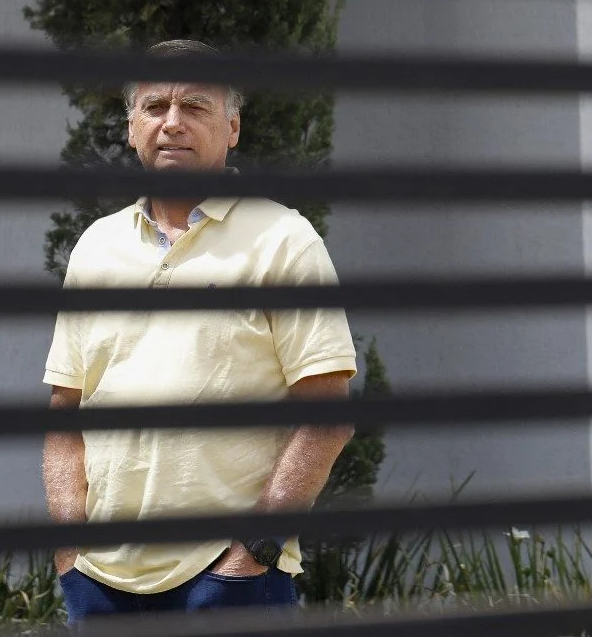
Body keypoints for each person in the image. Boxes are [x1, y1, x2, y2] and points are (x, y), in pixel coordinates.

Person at [42, 39, 357, 623]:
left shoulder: (284, 241)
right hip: (101, 587)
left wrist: (254, 551)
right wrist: (70, 553)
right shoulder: (95, 248)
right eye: (155, 106)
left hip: (228, 582)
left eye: (195, 106)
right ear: (132, 128)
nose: (172, 123)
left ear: (232, 127)